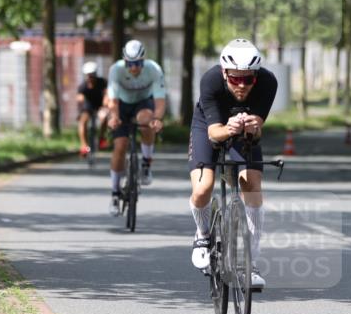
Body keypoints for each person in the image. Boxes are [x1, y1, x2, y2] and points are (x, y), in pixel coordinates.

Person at [187, 39, 277, 290]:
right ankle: (203, 235)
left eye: (247, 79)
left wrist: (251, 127)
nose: (241, 85)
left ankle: (250, 264)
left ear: (256, 77)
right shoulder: (210, 81)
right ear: (224, 73)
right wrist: (229, 127)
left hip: (242, 131)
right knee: (203, 188)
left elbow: (257, 131)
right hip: (209, 126)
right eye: (235, 79)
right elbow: (214, 134)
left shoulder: (268, 82)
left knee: (252, 185)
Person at [106, 39, 167, 215]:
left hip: (143, 102)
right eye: (130, 63)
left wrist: (156, 119)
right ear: (124, 61)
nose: (133, 68)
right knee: (120, 146)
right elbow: (113, 100)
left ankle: (146, 164)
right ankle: (115, 193)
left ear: (144, 60)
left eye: (138, 63)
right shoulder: (116, 70)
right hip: (122, 105)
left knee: (146, 120)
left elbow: (160, 100)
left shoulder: (153, 69)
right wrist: (115, 117)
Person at [76, 61, 109, 157]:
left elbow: (107, 93)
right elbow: (79, 98)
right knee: (82, 122)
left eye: (92, 75)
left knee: (104, 117)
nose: (90, 78)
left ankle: (102, 139)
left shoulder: (102, 82)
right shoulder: (83, 86)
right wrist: (80, 105)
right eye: (88, 75)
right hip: (88, 107)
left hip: (100, 105)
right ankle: (84, 146)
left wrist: (106, 103)